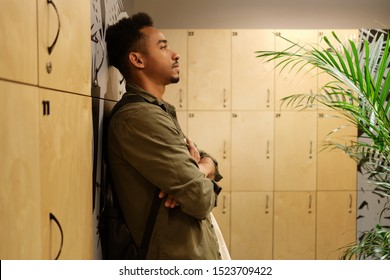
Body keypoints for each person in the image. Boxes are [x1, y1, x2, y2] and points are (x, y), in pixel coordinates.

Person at [105, 12, 225, 259]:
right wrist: (198, 174)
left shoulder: (156, 111)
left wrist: (200, 170)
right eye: (163, 47)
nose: (175, 54)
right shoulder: (140, 118)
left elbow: (208, 160)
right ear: (137, 60)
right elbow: (201, 198)